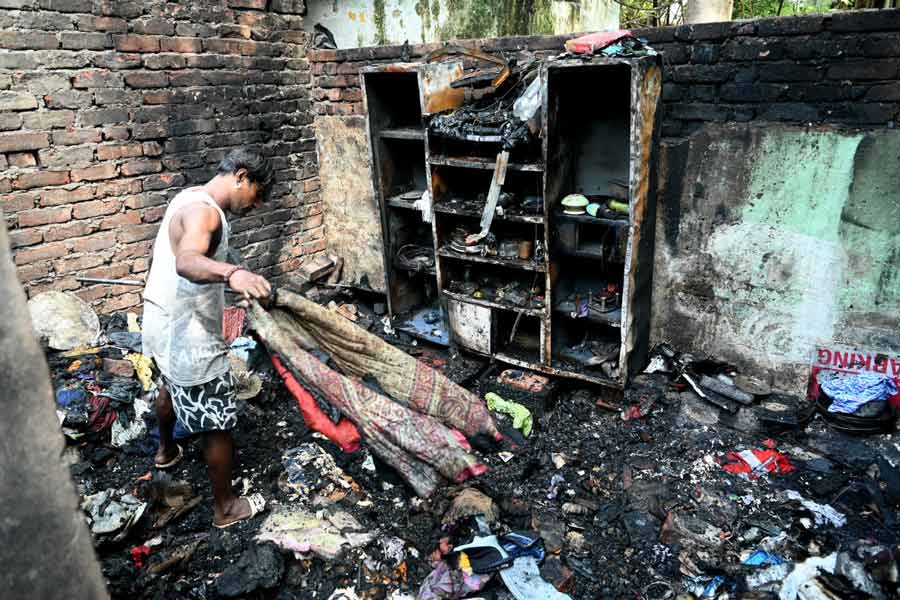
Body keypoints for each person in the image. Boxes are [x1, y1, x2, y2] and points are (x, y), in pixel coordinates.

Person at [142, 148, 273, 528]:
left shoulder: (187, 198)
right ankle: (226, 508)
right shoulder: (205, 212)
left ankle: (166, 451)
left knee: (169, 384)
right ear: (242, 176)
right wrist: (233, 275)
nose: (256, 205)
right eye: (258, 194)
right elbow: (187, 262)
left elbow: (184, 263)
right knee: (217, 421)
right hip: (189, 335)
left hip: (161, 320)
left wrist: (234, 281)